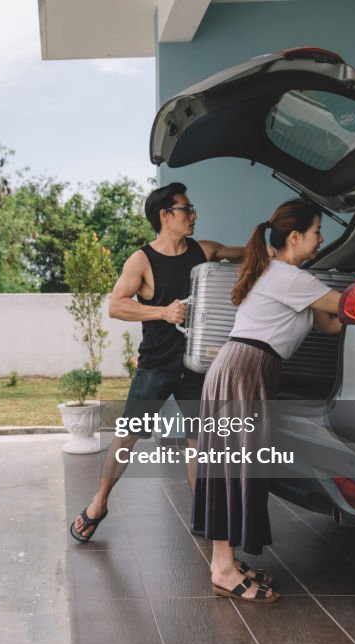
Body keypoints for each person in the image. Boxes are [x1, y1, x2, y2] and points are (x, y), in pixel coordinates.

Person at [70, 181, 244, 543]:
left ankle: (203, 516)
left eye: (192, 208)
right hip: (156, 365)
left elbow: (246, 254)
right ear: (166, 216)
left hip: (197, 367)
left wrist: (271, 241)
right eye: (186, 209)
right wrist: (162, 312)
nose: (194, 215)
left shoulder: (203, 250)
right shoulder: (142, 260)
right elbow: (117, 305)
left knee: (200, 442)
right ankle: (99, 503)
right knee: (127, 437)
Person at [192, 199, 342, 602]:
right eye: (316, 231)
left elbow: (331, 323)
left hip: (245, 369)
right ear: (295, 237)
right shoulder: (290, 277)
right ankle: (223, 568)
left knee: (237, 466)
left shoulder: (289, 277)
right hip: (246, 370)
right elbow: (344, 307)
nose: (321, 238)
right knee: (233, 467)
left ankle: (225, 561)